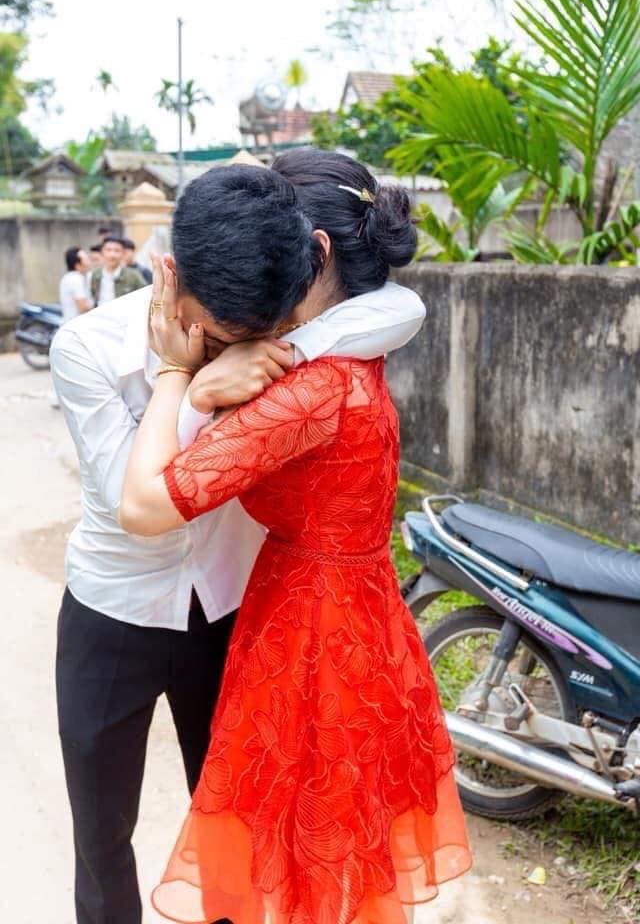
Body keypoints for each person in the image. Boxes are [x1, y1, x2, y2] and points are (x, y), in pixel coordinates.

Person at [50, 162, 429, 924]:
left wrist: (279, 346)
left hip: (226, 611)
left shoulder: (278, 331)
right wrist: (188, 385)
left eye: (261, 331)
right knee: (101, 840)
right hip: (113, 614)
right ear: (172, 275)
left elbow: (390, 304)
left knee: (236, 831)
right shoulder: (85, 346)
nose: (245, 346)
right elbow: (133, 498)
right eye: (222, 333)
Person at [89, 235, 146, 307]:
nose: (112, 254)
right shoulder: (95, 274)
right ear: (102, 252)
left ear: (123, 253)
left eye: (117, 250)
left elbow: (145, 297)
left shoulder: (133, 275)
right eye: (108, 250)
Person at [59, 247, 92, 322]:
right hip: (77, 325)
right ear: (77, 265)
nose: (89, 262)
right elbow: (83, 307)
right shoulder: (75, 279)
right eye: (86, 259)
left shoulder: (71, 277)